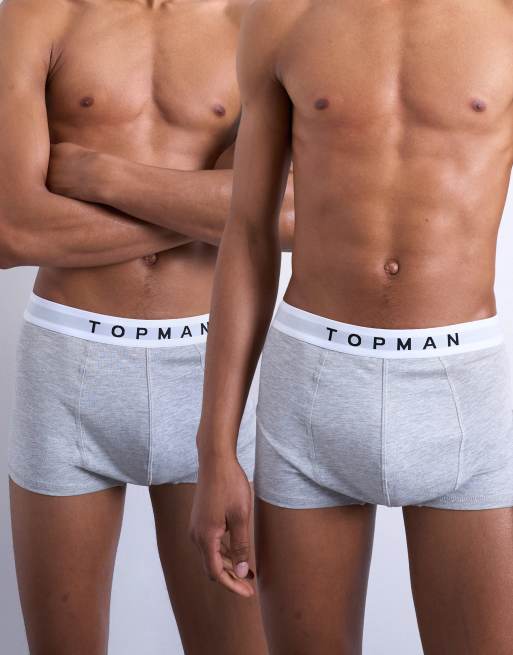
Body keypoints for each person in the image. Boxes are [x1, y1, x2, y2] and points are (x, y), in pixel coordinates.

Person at [190, 2, 513, 653]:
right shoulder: (282, 15)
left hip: (463, 392)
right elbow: (247, 232)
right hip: (313, 386)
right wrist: (214, 449)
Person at [0, 0, 294, 653]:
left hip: (215, 368)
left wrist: (102, 176)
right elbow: (11, 229)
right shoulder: (37, 14)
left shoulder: (258, 21)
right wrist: (217, 209)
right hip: (68, 368)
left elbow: (294, 212)